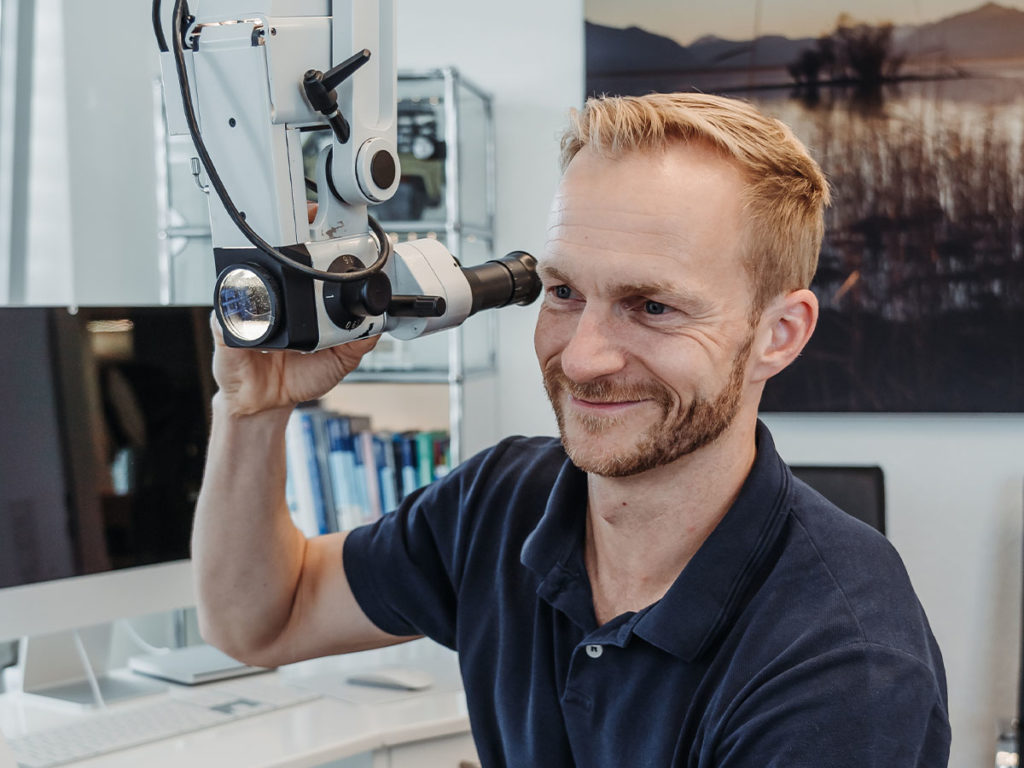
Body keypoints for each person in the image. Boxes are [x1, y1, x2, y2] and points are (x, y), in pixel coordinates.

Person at [193, 92, 950, 766]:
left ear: (779, 334)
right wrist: (252, 411)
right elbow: (263, 619)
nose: (583, 358)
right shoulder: (503, 500)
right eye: (562, 292)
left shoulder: (845, 669)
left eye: (653, 306)